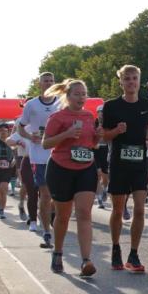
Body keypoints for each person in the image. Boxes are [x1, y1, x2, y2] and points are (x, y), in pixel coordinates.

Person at [42, 79, 100, 276]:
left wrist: (98, 137)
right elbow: (46, 143)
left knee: (84, 213)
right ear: (67, 96)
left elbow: (91, 144)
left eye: (84, 94)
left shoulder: (89, 116)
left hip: (85, 168)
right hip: (61, 168)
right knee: (63, 216)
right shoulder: (57, 117)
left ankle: (86, 261)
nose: (81, 97)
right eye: (77, 94)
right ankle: (58, 252)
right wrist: (66, 134)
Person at [102, 65, 148, 272]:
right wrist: (116, 131)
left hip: (139, 162)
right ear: (121, 82)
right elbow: (103, 136)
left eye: (134, 78)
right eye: (127, 79)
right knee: (118, 208)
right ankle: (116, 248)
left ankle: (133, 253)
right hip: (119, 163)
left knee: (140, 209)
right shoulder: (111, 106)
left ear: (139, 81)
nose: (131, 82)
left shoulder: (147, 104)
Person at [18, 73, 59, 248]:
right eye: (45, 81)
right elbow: (20, 127)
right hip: (39, 156)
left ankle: (53, 219)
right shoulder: (31, 104)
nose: (48, 84)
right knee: (45, 194)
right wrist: (30, 136)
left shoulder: (61, 102)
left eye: (51, 81)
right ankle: (47, 232)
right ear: (39, 84)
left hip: (59, 154)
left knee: (58, 197)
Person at [0, 123, 15, 220]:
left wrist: (14, 161)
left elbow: (16, 154)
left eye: (5, 131)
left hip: (7, 169)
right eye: (1, 131)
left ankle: (2, 210)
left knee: (3, 189)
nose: (3, 133)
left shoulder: (12, 142)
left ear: (8, 132)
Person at [93, 106, 110, 209]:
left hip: (106, 150)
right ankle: (99, 199)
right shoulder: (92, 123)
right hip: (95, 150)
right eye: (100, 112)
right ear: (97, 113)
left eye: (103, 112)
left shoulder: (109, 124)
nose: (102, 114)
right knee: (98, 173)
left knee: (105, 177)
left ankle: (104, 190)